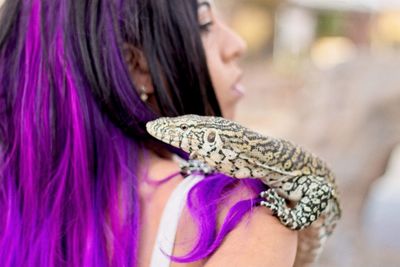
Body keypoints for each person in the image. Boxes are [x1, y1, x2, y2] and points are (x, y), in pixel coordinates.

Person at [0, 0, 298, 266]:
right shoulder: (243, 217)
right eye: (205, 24)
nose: (237, 44)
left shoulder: (14, 204)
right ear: (137, 65)